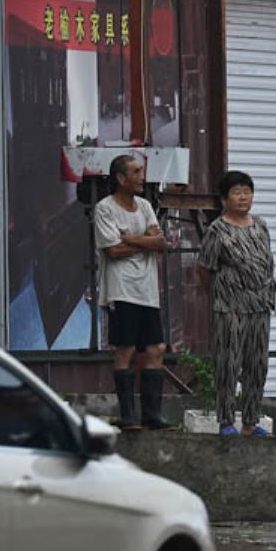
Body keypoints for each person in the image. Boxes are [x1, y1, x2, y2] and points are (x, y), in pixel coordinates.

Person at [196, 170, 276, 436]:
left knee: (257, 364)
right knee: (228, 364)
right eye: (237, 192)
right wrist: (223, 293)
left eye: (247, 191)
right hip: (229, 306)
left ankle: (252, 421)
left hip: (261, 304)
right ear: (224, 198)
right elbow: (204, 269)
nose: (243, 197)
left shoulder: (261, 225)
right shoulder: (217, 230)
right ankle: (226, 421)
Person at [95, 154, 169, 431]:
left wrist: (130, 238)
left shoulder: (145, 205)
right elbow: (112, 251)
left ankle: (152, 414)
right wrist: (145, 242)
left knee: (156, 348)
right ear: (120, 178)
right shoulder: (105, 208)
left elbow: (160, 242)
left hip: (147, 289)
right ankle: (128, 416)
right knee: (125, 348)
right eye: (136, 172)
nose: (141, 177)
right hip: (121, 288)